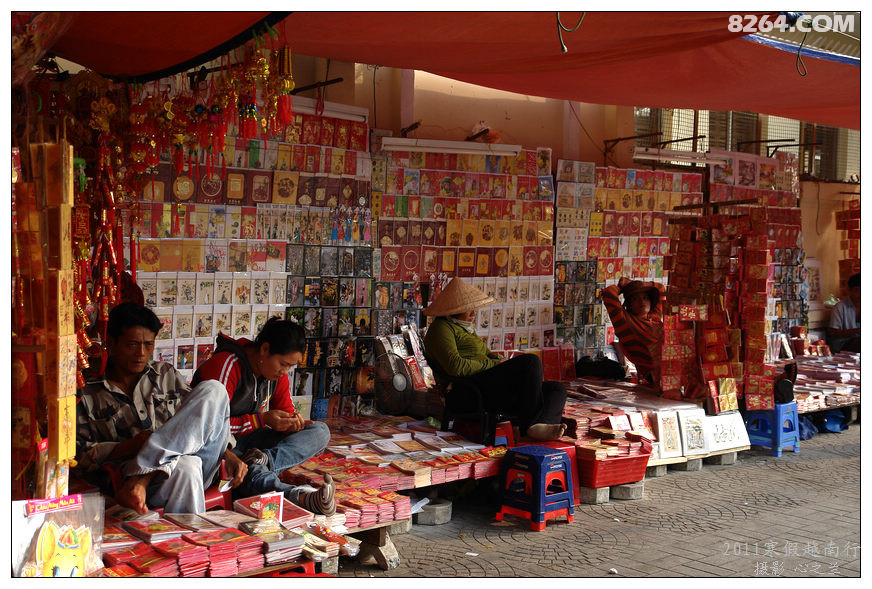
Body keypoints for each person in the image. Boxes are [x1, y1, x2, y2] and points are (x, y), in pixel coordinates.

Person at [76, 303, 237, 514]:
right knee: (186, 466)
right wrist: (129, 446)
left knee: (214, 389)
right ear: (111, 343)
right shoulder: (87, 392)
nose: (141, 353)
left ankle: (141, 476)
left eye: (148, 344)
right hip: (131, 479)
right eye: (132, 345)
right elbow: (78, 456)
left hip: (182, 471)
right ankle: (186, 545)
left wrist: (229, 454)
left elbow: (199, 423)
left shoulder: (166, 374)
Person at [191, 317, 335, 515]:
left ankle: (264, 460)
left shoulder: (276, 374)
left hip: (254, 443)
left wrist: (293, 423)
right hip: (221, 448)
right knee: (252, 471)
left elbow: (285, 410)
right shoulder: (228, 364)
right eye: (283, 364)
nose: (285, 372)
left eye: (290, 367)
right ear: (265, 349)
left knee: (320, 431)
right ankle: (299, 496)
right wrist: (262, 420)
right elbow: (208, 427)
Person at [423, 277, 567, 441]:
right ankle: (529, 427)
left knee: (556, 389)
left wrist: (501, 361)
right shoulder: (441, 328)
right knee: (530, 362)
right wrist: (494, 364)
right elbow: (456, 366)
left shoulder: (465, 328)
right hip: (466, 392)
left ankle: (537, 427)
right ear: (455, 309)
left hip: (486, 387)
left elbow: (488, 355)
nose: (473, 313)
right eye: (468, 309)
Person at [601, 276, 666, 387]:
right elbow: (609, 293)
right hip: (654, 380)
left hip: (672, 371)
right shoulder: (626, 323)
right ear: (629, 305)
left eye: (645, 297)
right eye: (635, 299)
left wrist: (631, 283)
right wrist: (623, 287)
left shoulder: (654, 317)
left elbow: (661, 289)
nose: (642, 301)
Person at [829, 272, 860, 353]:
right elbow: (833, 332)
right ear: (850, 290)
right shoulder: (840, 307)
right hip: (841, 345)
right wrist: (857, 331)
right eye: (857, 290)